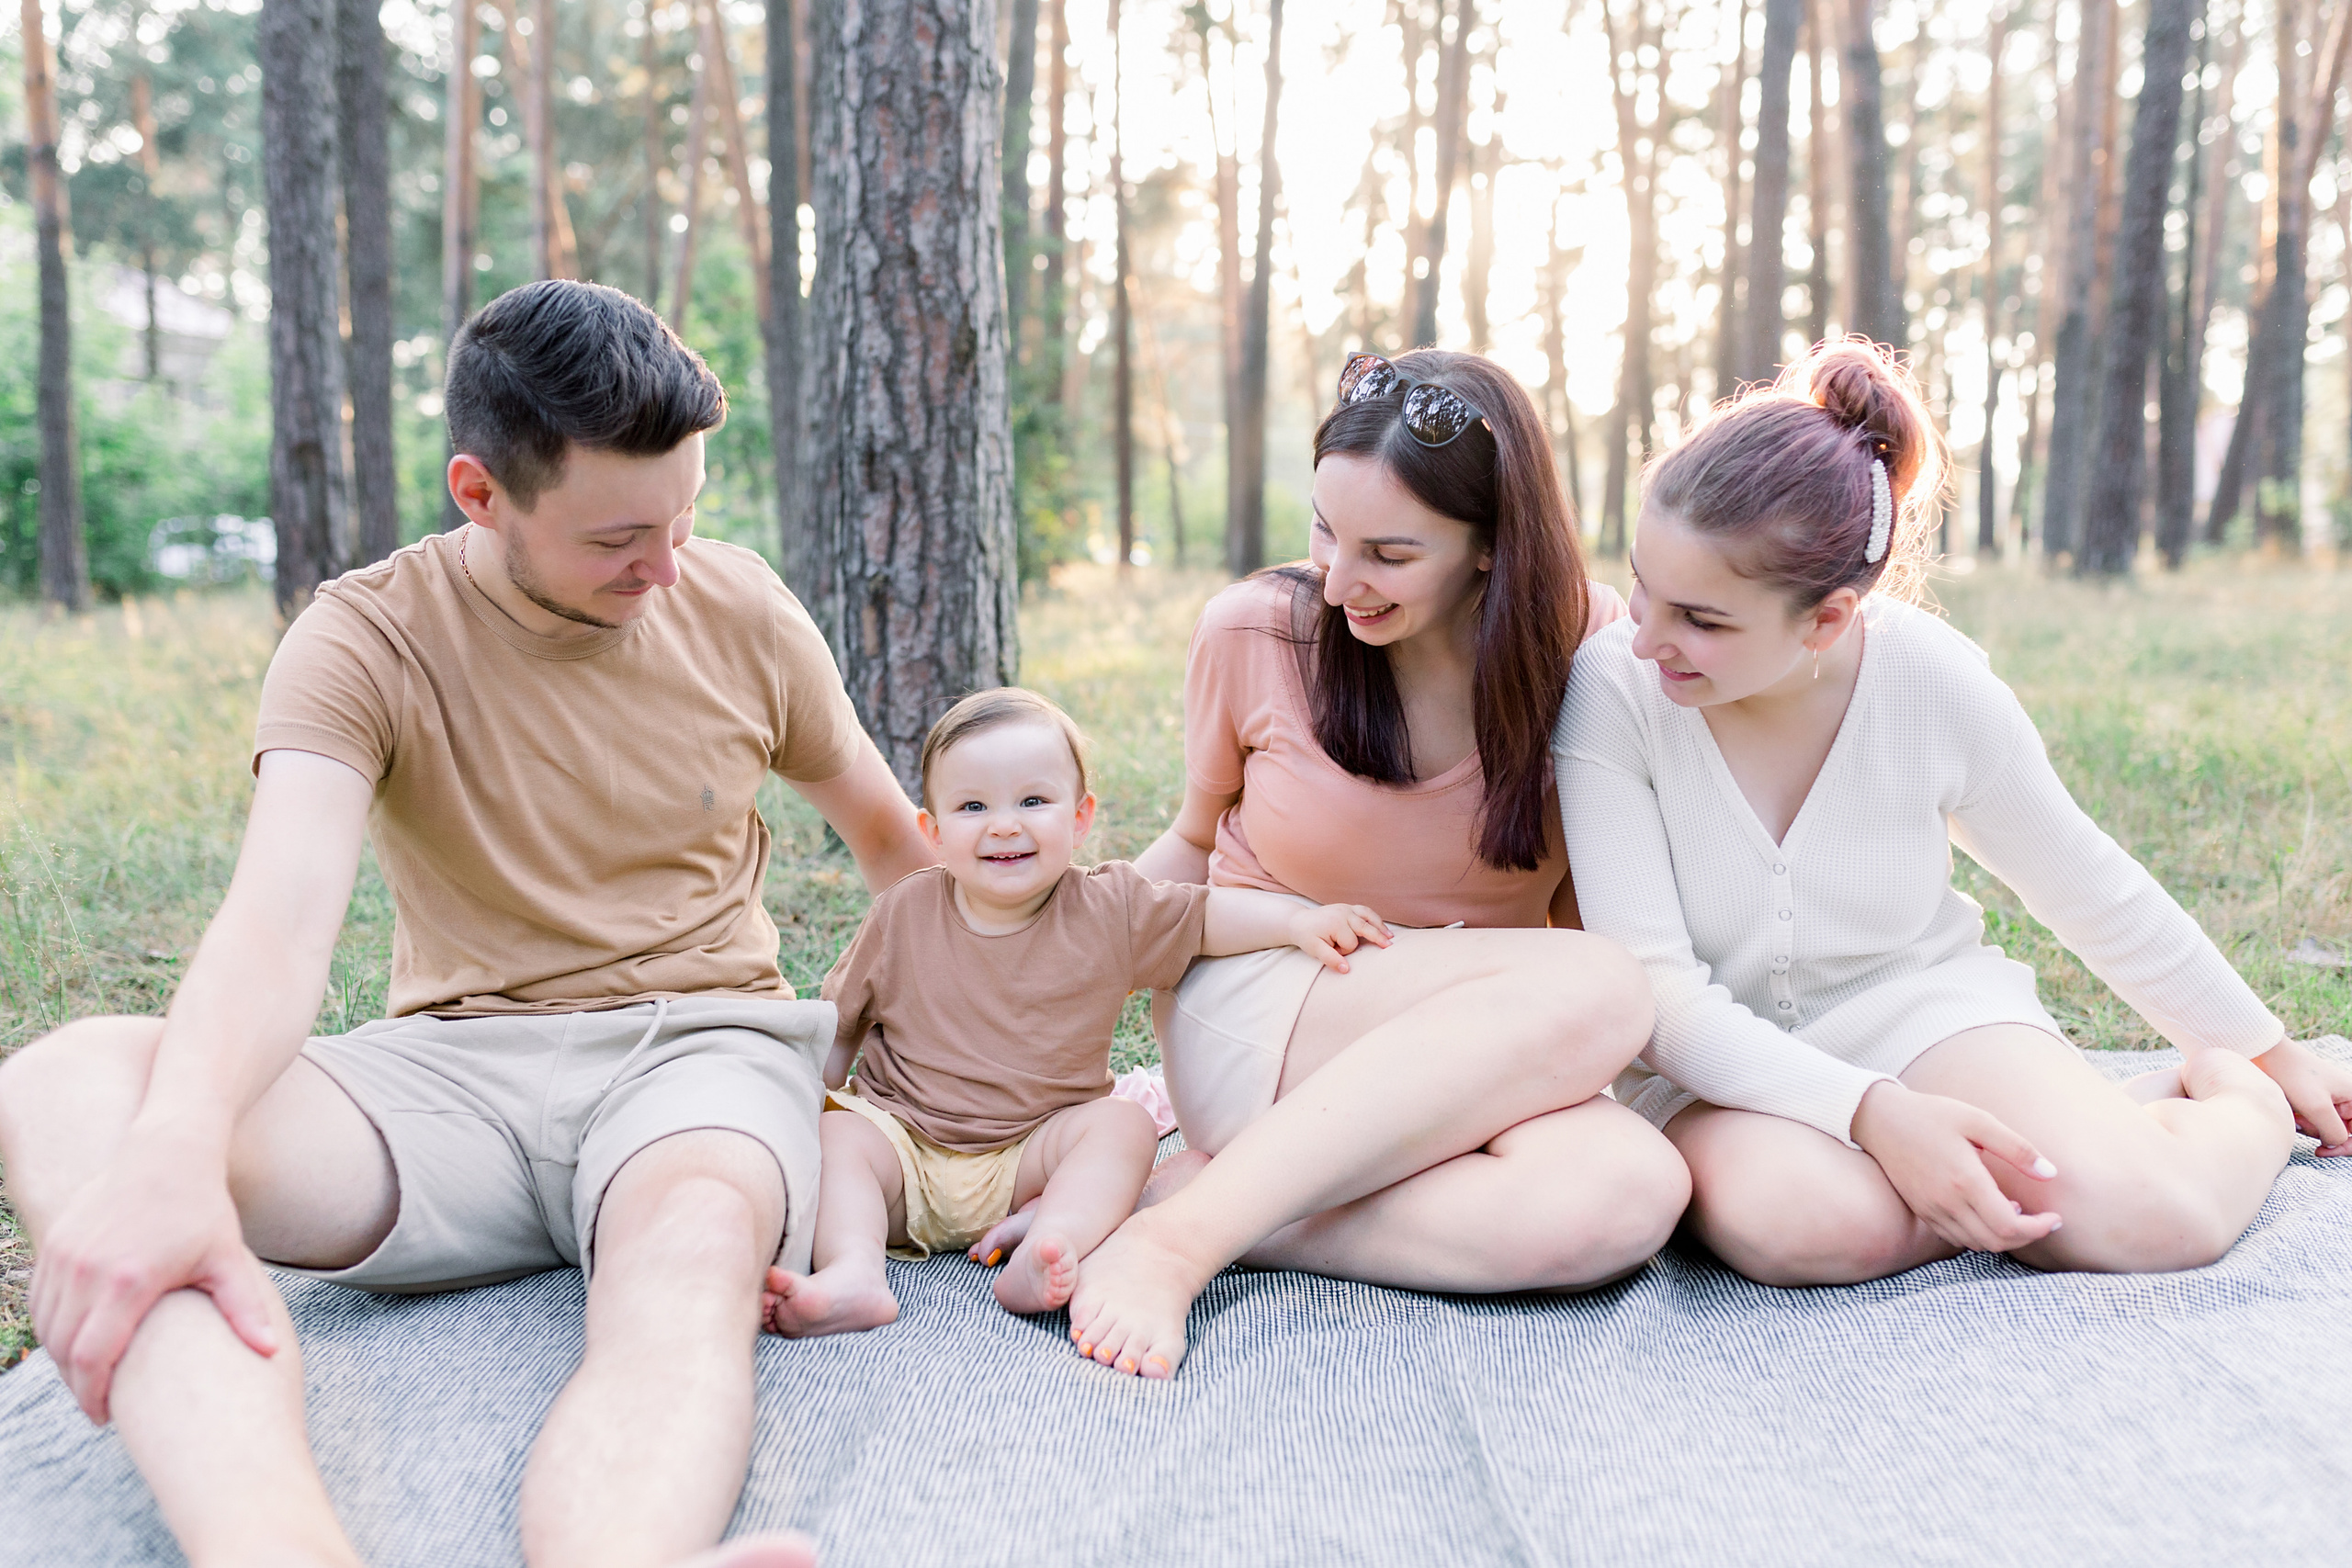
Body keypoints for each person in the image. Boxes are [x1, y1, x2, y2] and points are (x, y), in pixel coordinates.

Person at [0, 281, 933, 1568]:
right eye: (620, 537)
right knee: (62, 1087)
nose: (667, 568)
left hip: (701, 1057)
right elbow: (279, 921)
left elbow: (896, 851)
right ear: (480, 493)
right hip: (452, 1083)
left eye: (685, 517)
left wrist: (977, 1051)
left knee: (692, 1251)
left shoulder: (742, 607)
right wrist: (176, 1145)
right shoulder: (366, 636)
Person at [1553, 338, 2352, 1288]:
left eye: (1701, 619)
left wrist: (2263, 1052)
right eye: (1643, 584)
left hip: (1926, 1017)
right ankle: (2076, 1152)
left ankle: (2226, 1110)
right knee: (1806, 1227)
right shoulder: (1612, 689)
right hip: (1713, 1070)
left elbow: (2086, 884)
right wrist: (1876, 1116)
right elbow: (1662, 998)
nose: (1645, 637)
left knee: (2160, 1223)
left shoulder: (1931, 681)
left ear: (1827, 619)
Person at [1063, 350, 1690, 1381]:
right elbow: (1191, 841)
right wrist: (1067, 961)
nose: (1337, 579)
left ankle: (1225, 1205)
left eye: (1388, 554)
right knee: (1603, 987)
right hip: (1268, 1000)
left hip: (1472, 1038)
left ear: (1491, 547)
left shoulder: (1589, 647)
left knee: (1628, 1194)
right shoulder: (1256, 631)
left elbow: (1586, 900)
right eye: (1325, 531)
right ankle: (1174, 1246)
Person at [763, 689, 1392, 1359]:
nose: (1004, 826)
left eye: (1033, 800)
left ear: (1081, 817)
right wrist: (811, 1103)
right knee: (839, 1135)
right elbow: (839, 1028)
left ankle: (1050, 1239)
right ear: (934, 831)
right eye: (973, 807)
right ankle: (855, 1270)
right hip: (904, 1151)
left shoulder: (1108, 908)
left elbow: (1206, 918)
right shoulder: (903, 913)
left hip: (1031, 1160)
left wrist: (1294, 921)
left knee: (1123, 1126)